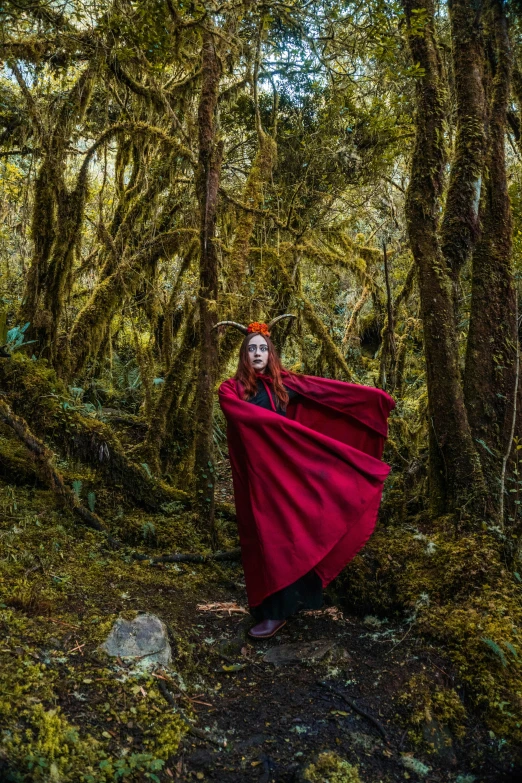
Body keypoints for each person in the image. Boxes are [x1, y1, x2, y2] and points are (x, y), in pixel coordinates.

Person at [216, 317, 395, 639]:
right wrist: (285, 430)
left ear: (271, 354)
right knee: (263, 537)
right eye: (251, 349)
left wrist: (374, 401)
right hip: (258, 477)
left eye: (263, 349)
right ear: (243, 356)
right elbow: (242, 415)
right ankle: (269, 609)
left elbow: (329, 395)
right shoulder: (231, 389)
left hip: (287, 473)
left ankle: (286, 607)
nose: (257, 354)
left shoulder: (285, 385)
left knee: (293, 532)